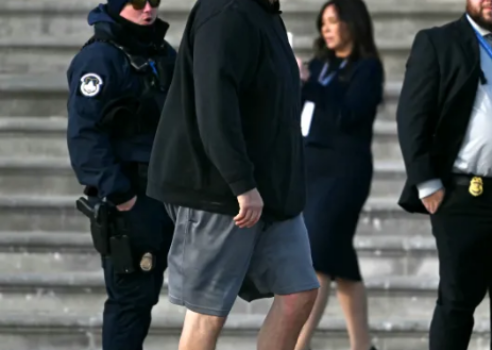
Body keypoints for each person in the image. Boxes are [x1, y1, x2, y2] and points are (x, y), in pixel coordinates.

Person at [144, 0, 320, 348]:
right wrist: (241, 183)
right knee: (207, 314)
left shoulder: (263, 13)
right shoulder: (224, 11)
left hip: (272, 195)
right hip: (220, 191)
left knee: (299, 293)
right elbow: (214, 104)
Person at [396, 0, 492, 348]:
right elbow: (412, 117)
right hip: (464, 197)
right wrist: (427, 183)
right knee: (458, 301)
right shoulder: (438, 42)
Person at [65, 0, 176, 349]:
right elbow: (85, 136)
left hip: (161, 195)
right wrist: (119, 193)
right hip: (129, 199)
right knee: (129, 301)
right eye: (137, 2)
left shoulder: (161, 52)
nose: (148, 9)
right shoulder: (100, 59)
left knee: (143, 299)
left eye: (154, 1)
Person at [292, 1, 383, 350]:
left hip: (344, 174)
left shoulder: (367, 69)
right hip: (310, 168)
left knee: (317, 258)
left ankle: (299, 343)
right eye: (323, 23)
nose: (326, 29)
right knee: (340, 259)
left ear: (352, 23)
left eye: (333, 21)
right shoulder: (320, 65)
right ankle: (363, 346)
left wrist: (310, 86)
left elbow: (349, 115)